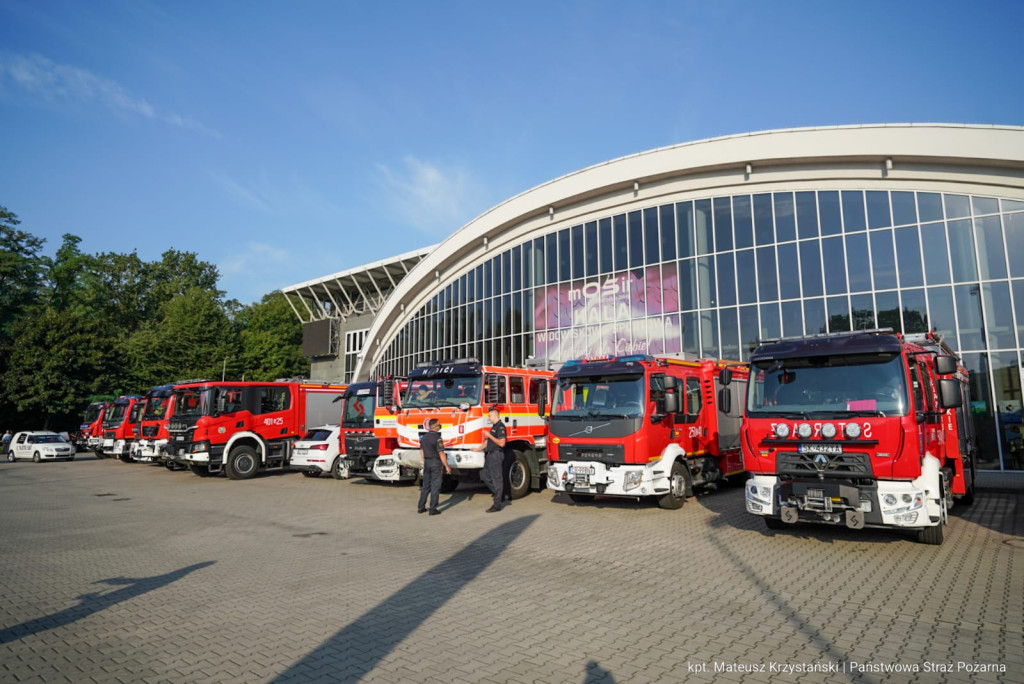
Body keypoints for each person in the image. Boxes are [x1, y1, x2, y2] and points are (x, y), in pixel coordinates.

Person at [474, 407, 507, 512]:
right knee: (484, 476)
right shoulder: (494, 426)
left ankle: (497, 505)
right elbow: (488, 443)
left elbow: (502, 443)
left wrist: (489, 436)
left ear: (494, 415)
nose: (488, 417)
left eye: (489, 415)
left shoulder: (500, 427)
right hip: (490, 455)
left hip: (496, 455)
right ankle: (499, 494)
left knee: (497, 479)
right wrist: (477, 449)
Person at [417, 418, 449, 516]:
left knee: (425, 485)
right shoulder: (438, 438)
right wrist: (447, 466)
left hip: (427, 463)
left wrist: (424, 460)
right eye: (439, 425)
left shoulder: (424, 437)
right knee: (436, 486)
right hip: (436, 463)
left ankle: (421, 507)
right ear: (435, 427)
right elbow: (441, 453)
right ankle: (432, 509)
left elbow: (421, 450)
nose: (440, 426)